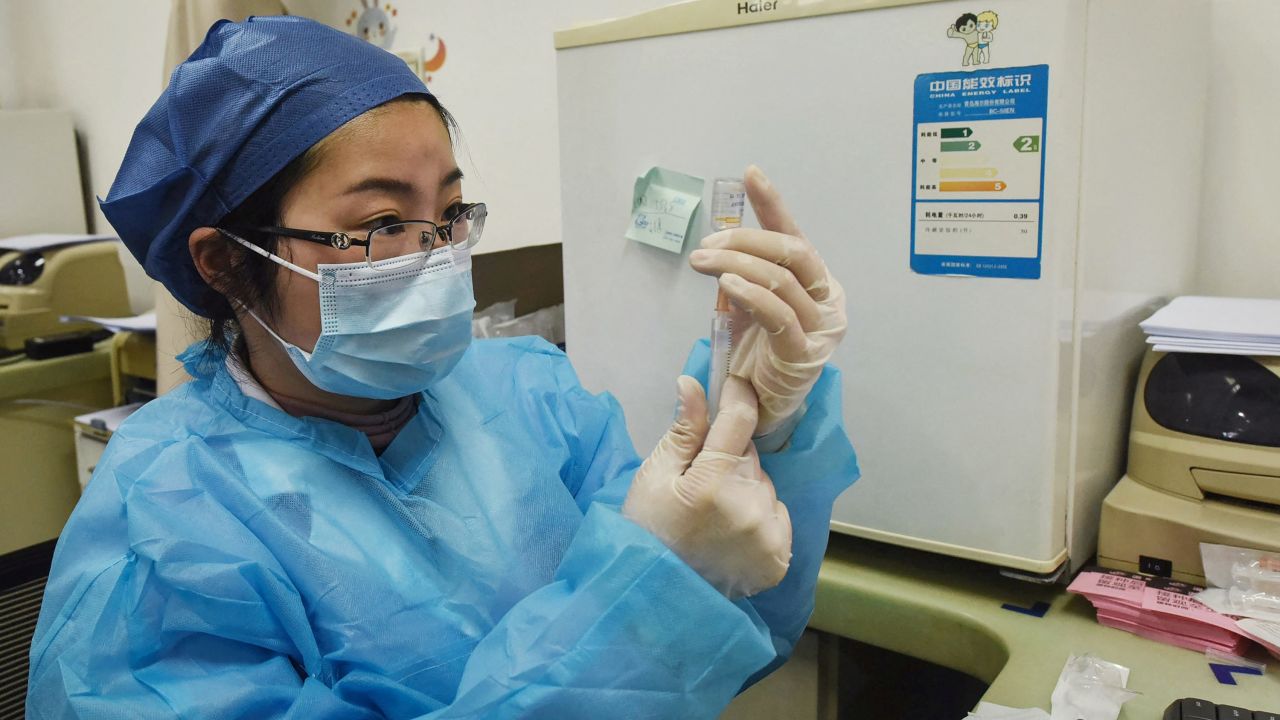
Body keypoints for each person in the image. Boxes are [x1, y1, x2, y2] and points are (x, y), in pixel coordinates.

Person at [26, 16, 857, 720]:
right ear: (223, 263)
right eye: (384, 220)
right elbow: (643, 617)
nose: (437, 256)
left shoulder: (529, 399)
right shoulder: (167, 534)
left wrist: (760, 428)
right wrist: (644, 594)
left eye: (451, 212)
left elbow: (726, 642)